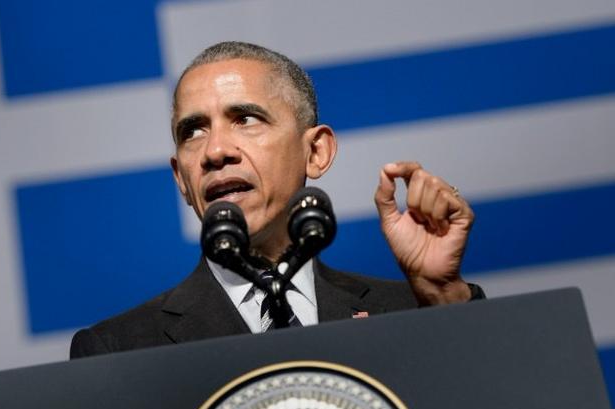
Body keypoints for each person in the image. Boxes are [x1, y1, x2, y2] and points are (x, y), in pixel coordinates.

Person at [70, 41, 482, 358]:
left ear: (316, 152)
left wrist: (442, 294)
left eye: (245, 119)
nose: (215, 152)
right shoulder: (118, 350)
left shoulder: (415, 313)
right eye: (193, 131)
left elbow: (493, 404)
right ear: (181, 177)